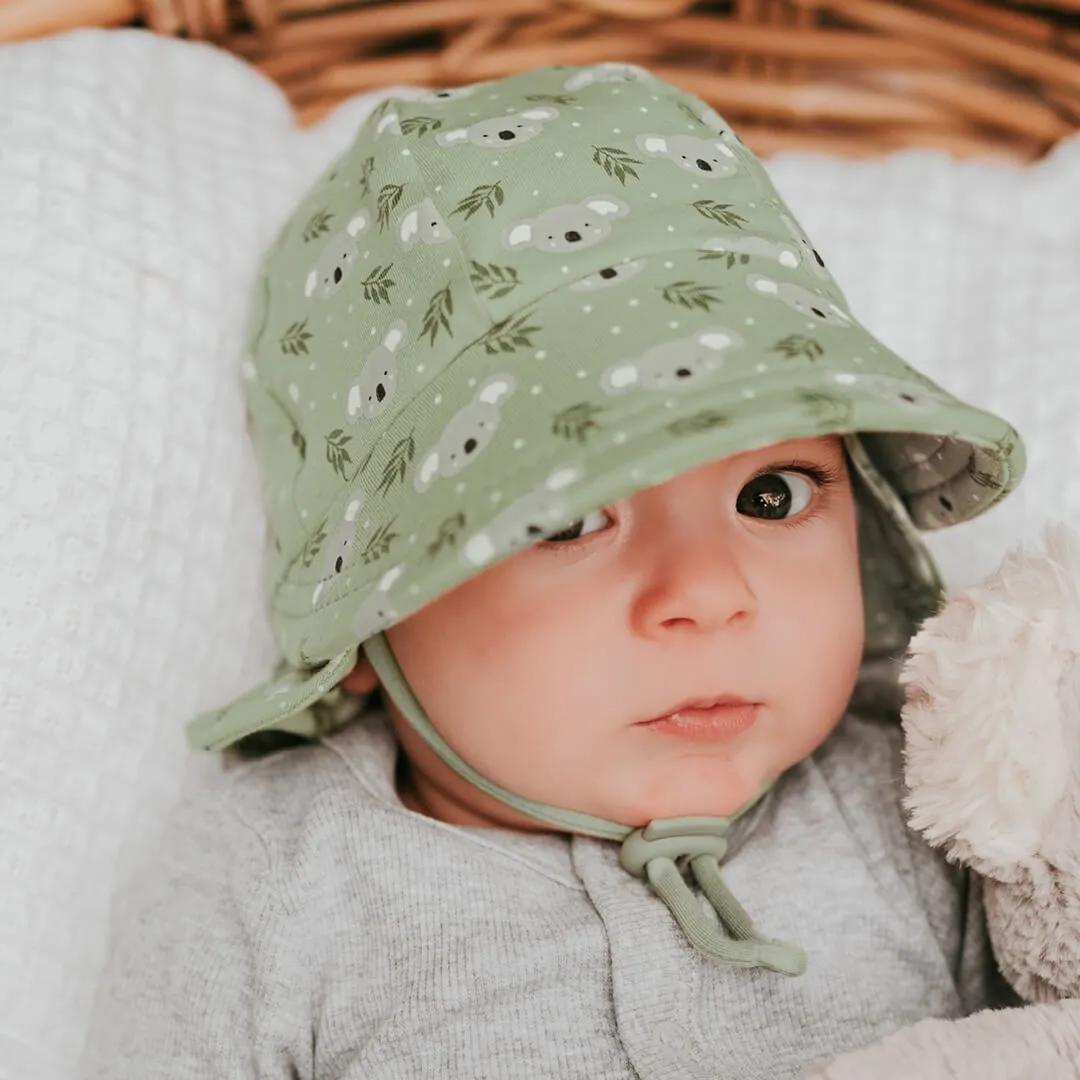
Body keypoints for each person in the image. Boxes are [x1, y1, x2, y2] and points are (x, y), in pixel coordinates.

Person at [79, 61, 1026, 1079]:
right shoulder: (269, 883)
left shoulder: (924, 810)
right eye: (571, 517)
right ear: (366, 612)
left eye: (772, 495)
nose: (707, 594)